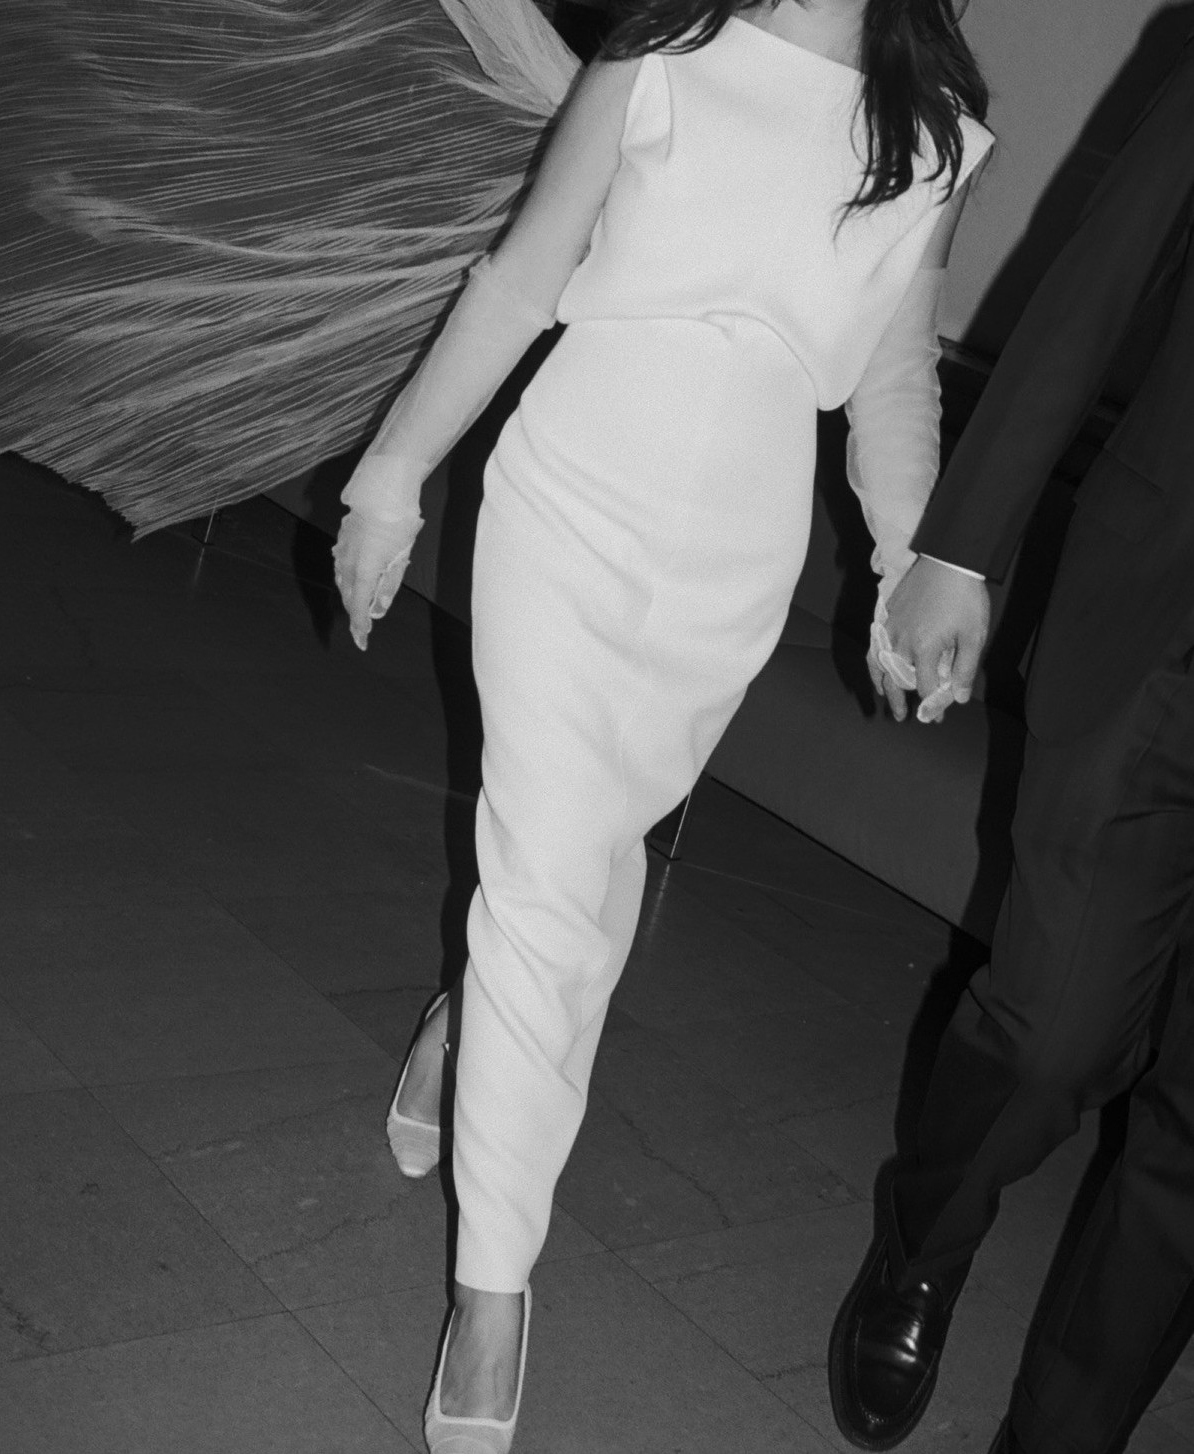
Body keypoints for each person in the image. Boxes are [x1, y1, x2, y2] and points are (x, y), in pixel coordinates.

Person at [332, 1, 993, 1449]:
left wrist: (907, 566)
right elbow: (522, 279)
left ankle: (467, 1022)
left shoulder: (934, 136)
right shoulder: (666, 52)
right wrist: (392, 477)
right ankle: (494, 1289)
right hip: (570, 495)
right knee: (548, 874)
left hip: (733, 558)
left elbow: (893, 378)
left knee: (586, 866)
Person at [828, 32, 1194, 1454]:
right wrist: (961, 544)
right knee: (1051, 1034)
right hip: (1167, 631)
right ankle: (923, 1237)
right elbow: (1100, 277)